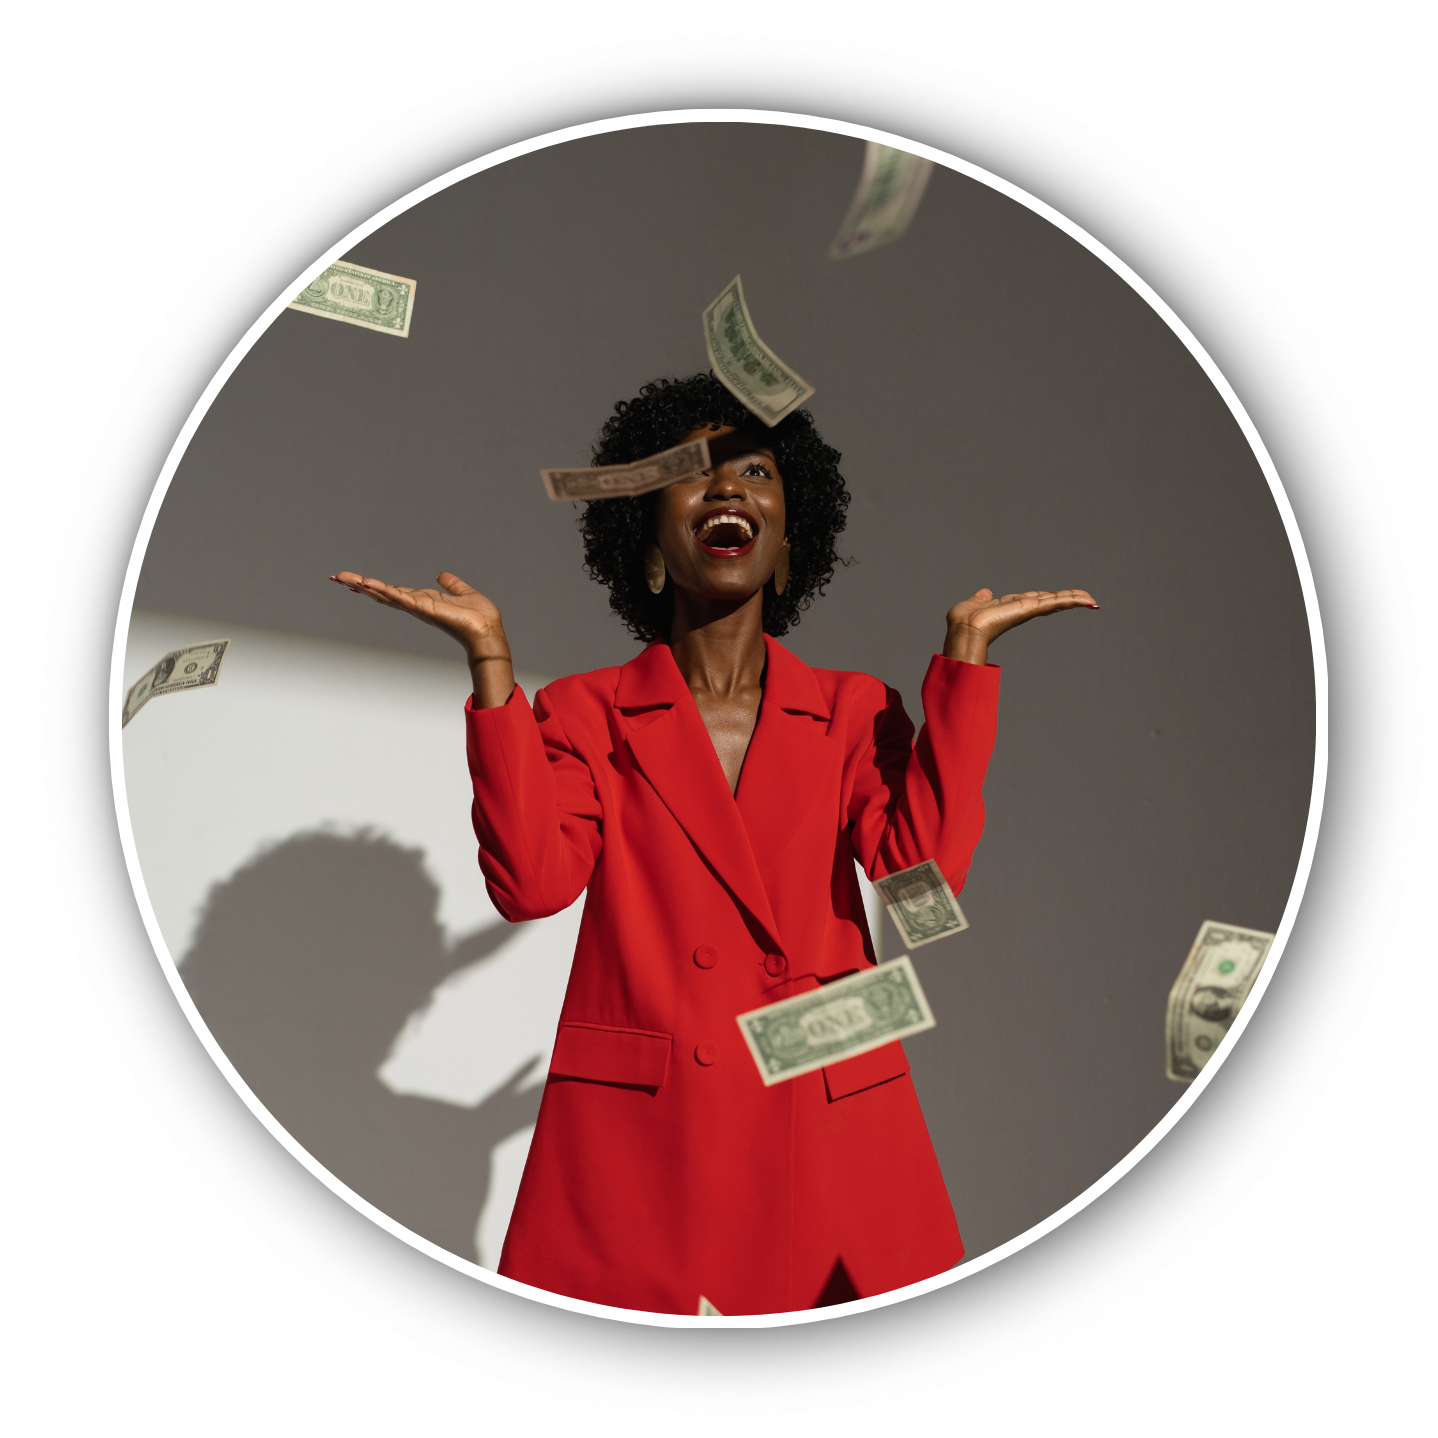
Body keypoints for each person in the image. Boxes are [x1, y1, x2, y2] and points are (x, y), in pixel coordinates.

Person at [333, 372, 1097, 1314]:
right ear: (648, 541)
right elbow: (532, 886)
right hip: (648, 1136)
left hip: (819, 1117)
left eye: (758, 471)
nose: (731, 488)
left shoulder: (857, 710)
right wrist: (492, 664)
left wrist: (966, 675)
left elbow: (921, 890)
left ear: (785, 544)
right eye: (696, 474)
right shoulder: (581, 710)